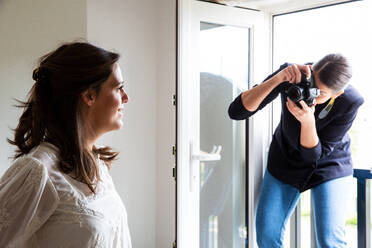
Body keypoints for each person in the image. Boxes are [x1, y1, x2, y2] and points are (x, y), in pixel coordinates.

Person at [0, 42, 132, 247]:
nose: (126, 98)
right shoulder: (37, 170)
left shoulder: (97, 165)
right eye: (119, 87)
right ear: (89, 95)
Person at [228, 54, 364, 247]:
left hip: (329, 162)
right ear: (311, 70)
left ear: (337, 94)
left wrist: (308, 122)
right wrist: (279, 79)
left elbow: (314, 156)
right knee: (267, 235)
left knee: (329, 240)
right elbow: (236, 112)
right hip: (285, 158)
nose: (311, 93)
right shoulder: (294, 75)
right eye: (312, 84)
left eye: (321, 93)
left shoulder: (350, 101)